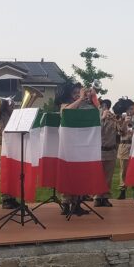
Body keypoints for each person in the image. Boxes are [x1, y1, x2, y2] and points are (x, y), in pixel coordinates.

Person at [55, 82, 96, 216]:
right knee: (68, 173)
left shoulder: (84, 105)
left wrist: (92, 98)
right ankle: (66, 203)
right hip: (68, 145)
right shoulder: (65, 105)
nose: (77, 95)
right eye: (75, 93)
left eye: (79, 92)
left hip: (81, 144)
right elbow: (66, 112)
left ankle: (77, 203)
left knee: (80, 173)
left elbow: (96, 114)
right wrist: (80, 99)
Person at [0, 99, 20, 209]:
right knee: (4, 174)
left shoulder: (9, 114)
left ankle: (12, 197)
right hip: (2, 148)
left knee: (13, 174)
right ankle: (5, 198)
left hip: (12, 147)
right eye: (9, 103)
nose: (11, 105)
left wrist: (13, 113)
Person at [112, 98, 134, 199]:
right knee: (123, 170)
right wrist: (125, 123)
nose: (131, 111)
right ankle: (123, 190)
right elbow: (120, 132)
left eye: (132, 108)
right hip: (124, 145)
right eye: (129, 109)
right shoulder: (120, 119)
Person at [94, 99, 116, 207]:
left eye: (107, 106)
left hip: (111, 150)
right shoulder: (97, 118)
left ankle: (105, 197)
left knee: (108, 176)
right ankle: (98, 197)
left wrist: (119, 121)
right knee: (99, 176)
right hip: (100, 150)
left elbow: (121, 131)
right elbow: (96, 130)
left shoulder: (113, 118)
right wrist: (102, 118)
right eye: (103, 106)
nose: (105, 108)